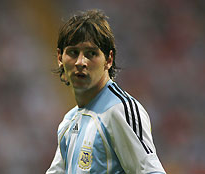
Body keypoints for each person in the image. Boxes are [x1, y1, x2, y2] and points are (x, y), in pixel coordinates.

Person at [46, 9, 166, 174]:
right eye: (73, 52)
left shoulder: (119, 110)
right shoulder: (69, 121)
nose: (81, 62)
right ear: (60, 58)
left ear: (108, 60)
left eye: (91, 54)